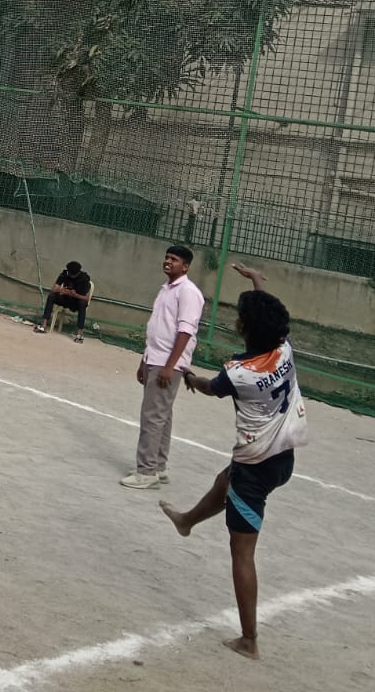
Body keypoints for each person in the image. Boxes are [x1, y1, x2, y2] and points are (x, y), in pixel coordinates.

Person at [160, 264, 307, 660]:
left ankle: (249, 640)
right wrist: (256, 280)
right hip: (283, 457)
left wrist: (190, 377)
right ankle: (187, 520)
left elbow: (211, 387)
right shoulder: (284, 349)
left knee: (241, 552)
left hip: (256, 465)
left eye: (240, 315)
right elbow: (268, 311)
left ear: (245, 328)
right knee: (226, 478)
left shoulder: (238, 373)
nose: (236, 318)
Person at [121, 244, 205, 489]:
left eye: (174, 259)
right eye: (167, 257)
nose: (168, 261)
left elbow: (185, 330)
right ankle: (158, 466)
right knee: (162, 415)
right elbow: (157, 327)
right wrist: (144, 360)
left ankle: (146, 472)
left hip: (167, 363)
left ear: (185, 266)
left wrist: (170, 366)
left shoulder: (188, 292)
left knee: (152, 416)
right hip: (154, 358)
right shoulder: (166, 289)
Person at [35, 260, 92, 340]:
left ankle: (79, 333)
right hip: (65, 298)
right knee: (51, 296)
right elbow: (54, 289)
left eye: (73, 275)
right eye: (70, 274)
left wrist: (75, 295)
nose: (71, 276)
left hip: (76, 301)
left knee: (82, 303)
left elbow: (86, 298)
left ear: (78, 273)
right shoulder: (64, 274)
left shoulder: (84, 279)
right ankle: (43, 325)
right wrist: (63, 291)